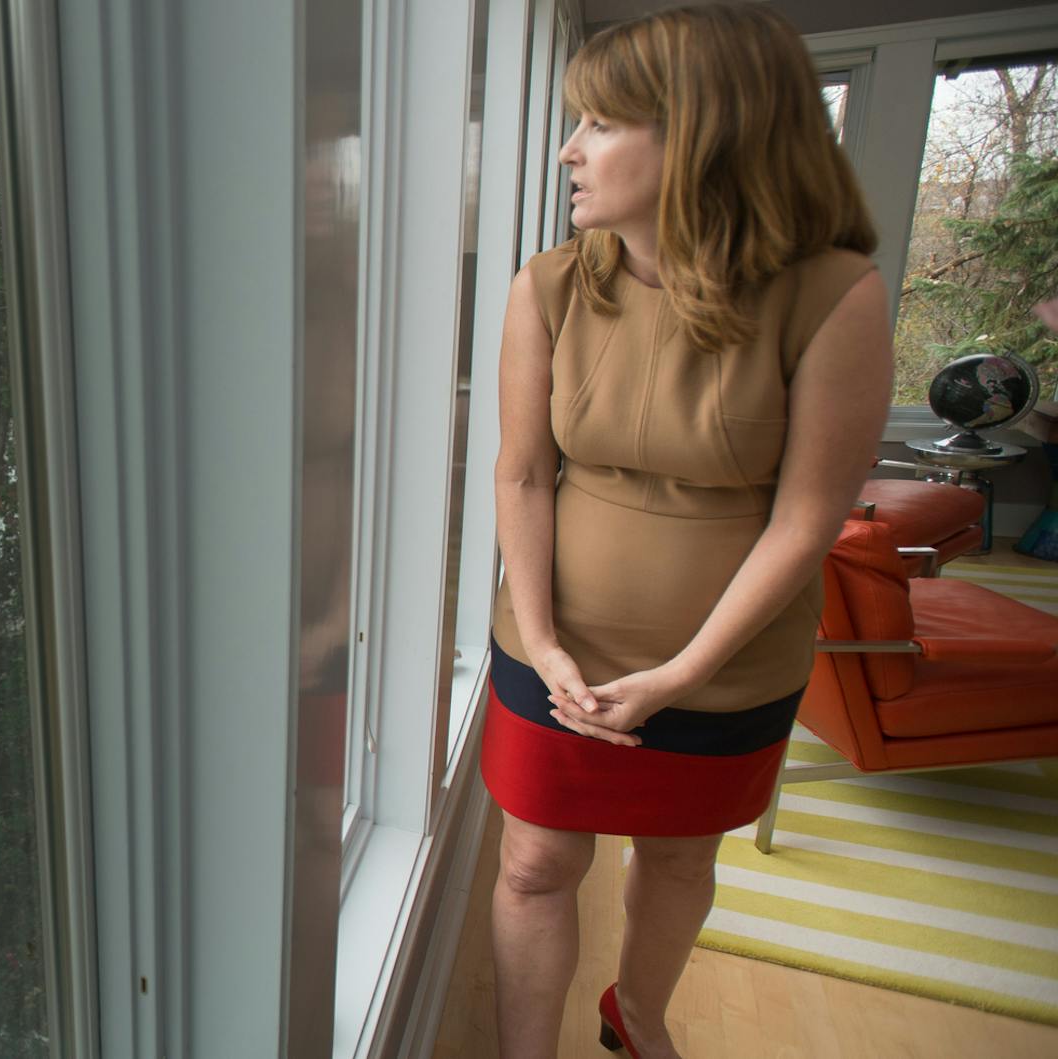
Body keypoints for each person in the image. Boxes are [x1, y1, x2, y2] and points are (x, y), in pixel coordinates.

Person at [482, 5, 893, 1057]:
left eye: (602, 124)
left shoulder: (832, 296)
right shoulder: (550, 286)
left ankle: (641, 1016)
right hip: (552, 645)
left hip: (726, 667)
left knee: (676, 860)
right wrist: (547, 641)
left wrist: (679, 674)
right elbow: (525, 475)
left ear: (705, 134)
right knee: (534, 865)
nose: (570, 149)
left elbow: (807, 520)